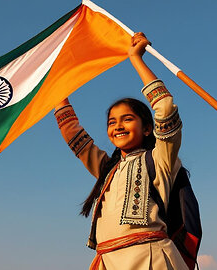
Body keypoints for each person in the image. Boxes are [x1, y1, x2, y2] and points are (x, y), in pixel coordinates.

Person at [54, 33, 188, 270]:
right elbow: (74, 136)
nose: (118, 126)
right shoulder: (107, 169)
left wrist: (136, 59)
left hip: (150, 257)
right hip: (107, 260)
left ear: (148, 128)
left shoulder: (160, 158)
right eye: (112, 122)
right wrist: (56, 92)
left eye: (127, 119)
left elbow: (165, 108)